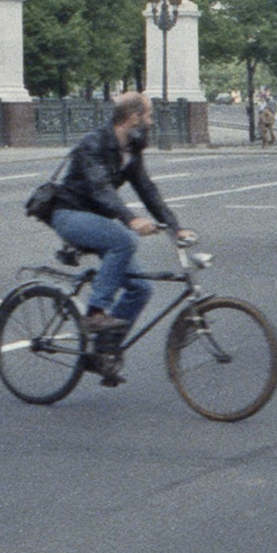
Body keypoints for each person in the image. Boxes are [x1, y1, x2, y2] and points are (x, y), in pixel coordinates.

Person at [45, 94, 180, 373]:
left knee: (140, 289)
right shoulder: (93, 144)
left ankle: (103, 352)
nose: (152, 122)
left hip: (97, 220)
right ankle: (95, 313)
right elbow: (100, 189)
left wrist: (175, 227)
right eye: (149, 116)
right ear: (133, 117)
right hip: (69, 215)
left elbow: (148, 191)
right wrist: (130, 220)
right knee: (124, 240)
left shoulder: (129, 150)